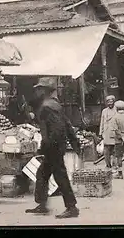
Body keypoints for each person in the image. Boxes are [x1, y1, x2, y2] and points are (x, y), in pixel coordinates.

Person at [25, 77, 81, 219]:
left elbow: (54, 130)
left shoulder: (46, 106)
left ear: (44, 90)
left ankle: (71, 207)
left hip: (53, 146)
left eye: (39, 89)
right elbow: (67, 124)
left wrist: (45, 148)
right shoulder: (55, 104)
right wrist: (74, 142)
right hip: (56, 145)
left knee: (59, 176)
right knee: (42, 174)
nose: (37, 91)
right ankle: (42, 205)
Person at [99, 95, 117, 170]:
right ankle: (108, 165)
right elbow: (102, 122)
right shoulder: (104, 111)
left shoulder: (117, 110)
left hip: (114, 133)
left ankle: (115, 165)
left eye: (111, 102)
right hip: (106, 133)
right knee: (106, 151)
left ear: (114, 102)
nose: (110, 103)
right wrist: (100, 132)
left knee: (114, 150)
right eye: (108, 102)